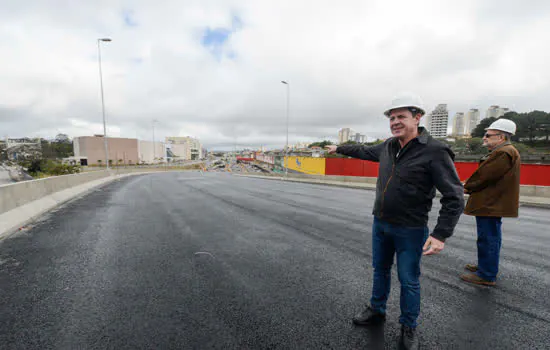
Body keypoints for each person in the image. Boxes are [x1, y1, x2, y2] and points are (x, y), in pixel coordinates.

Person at [325, 93, 464, 350]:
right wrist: (339, 148)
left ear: (417, 117)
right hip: (381, 223)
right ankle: (377, 309)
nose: (395, 122)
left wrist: (441, 234)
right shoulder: (388, 146)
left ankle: (408, 326)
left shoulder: (434, 150)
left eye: (401, 116)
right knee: (380, 270)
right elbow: (364, 150)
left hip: (410, 229)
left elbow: (455, 196)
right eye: (392, 117)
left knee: (409, 280)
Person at [460, 119, 520, 286]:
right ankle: (486, 266)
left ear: (501, 137)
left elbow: (485, 176)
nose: (484, 138)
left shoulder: (503, 152)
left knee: (488, 238)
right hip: (493, 202)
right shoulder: (506, 151)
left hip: (490, 203)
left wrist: (466, 186)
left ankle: (486, 274)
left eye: (488, 135)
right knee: (491, 237)